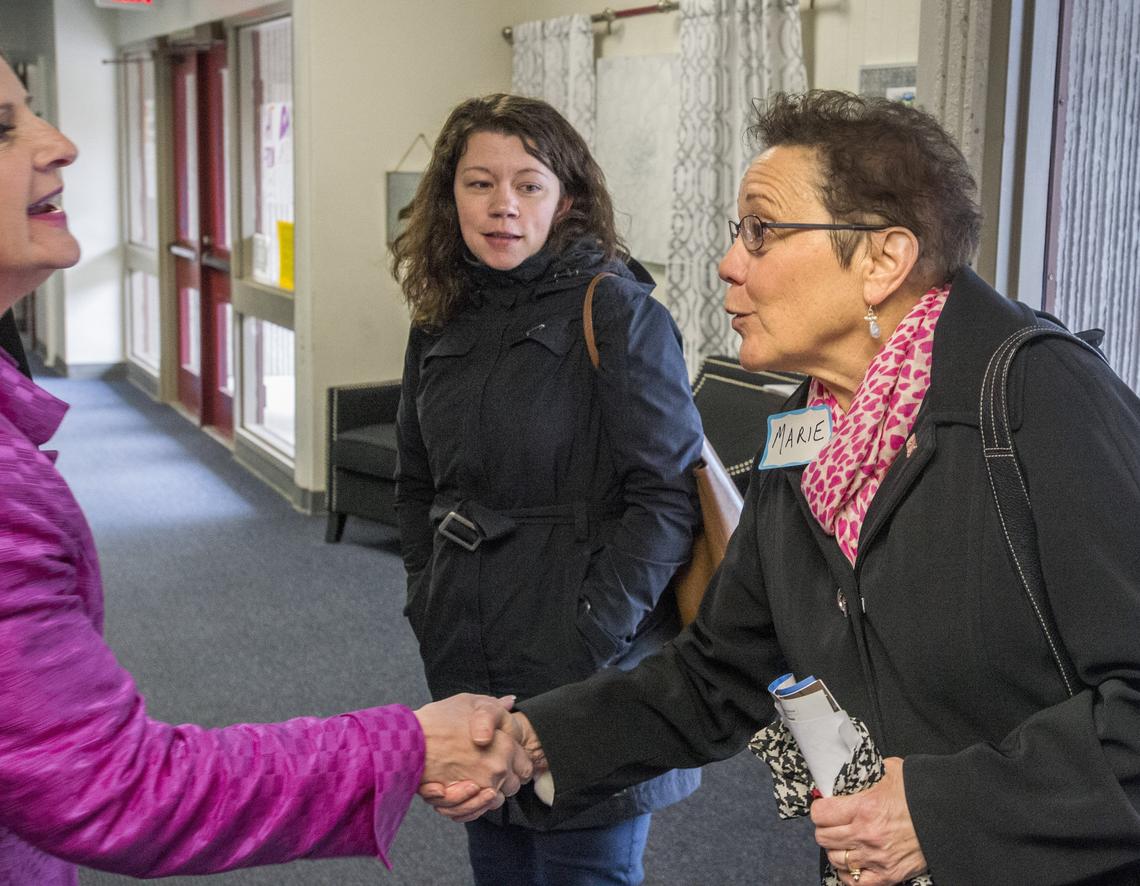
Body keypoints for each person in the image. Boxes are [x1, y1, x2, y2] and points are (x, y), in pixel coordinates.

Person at [437, 90, 1140, 885]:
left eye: (762, 232)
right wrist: (535, 738)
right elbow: (719, 671)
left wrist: (942, 811)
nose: (730, 263)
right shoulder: (806, 431)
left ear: (882, 259)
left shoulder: (1038, 395)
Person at [0, 54, 532, 884]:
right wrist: (409, 743)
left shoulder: (614, 314)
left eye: (528, 185)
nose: (59, 143)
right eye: (4, 126)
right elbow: (108, 785)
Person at [390, 93, 703, 885]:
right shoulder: (439, 317)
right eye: (479, 183)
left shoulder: (618, 311)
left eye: (528, 184)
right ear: (447, 197)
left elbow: (666, 501)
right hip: (467, 642)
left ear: (565, 197)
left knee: (582, 865)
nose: (503, 207)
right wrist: (428, 595)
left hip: (590, 658)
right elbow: (416, 479)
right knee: (498, 865)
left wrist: (590, 635)